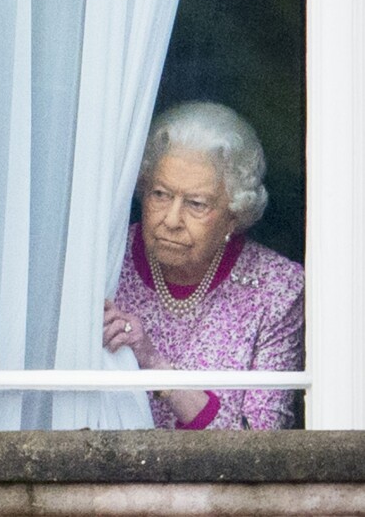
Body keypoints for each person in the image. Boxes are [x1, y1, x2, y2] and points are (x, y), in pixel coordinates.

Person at [103, 102, 304, 430]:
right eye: (160, 194)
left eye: (196, 204)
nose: (171, 220)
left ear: (235, 214)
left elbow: (263, 444)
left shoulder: (276, 288)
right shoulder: (106, 263)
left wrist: (155, 367)